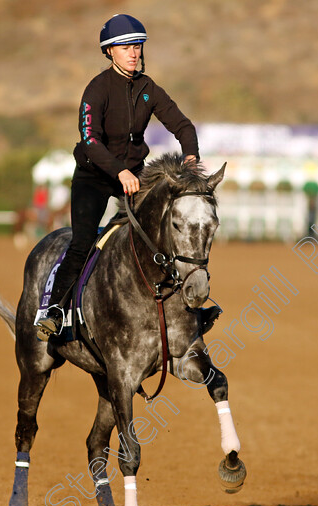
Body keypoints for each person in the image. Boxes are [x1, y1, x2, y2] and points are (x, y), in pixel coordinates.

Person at [35, 14, 219, 340]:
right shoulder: (97, 89)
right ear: (109, 52)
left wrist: (191, 157)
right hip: (94, 175)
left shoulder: (149, 89)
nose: (133, 53)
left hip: (134, 174)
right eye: (124, 47)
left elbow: (183, 126)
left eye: (136, 46)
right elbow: (90, 141)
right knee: (82, 242)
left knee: (160, 234)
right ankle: (53, 310)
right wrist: (118, 171)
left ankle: (184, 311)